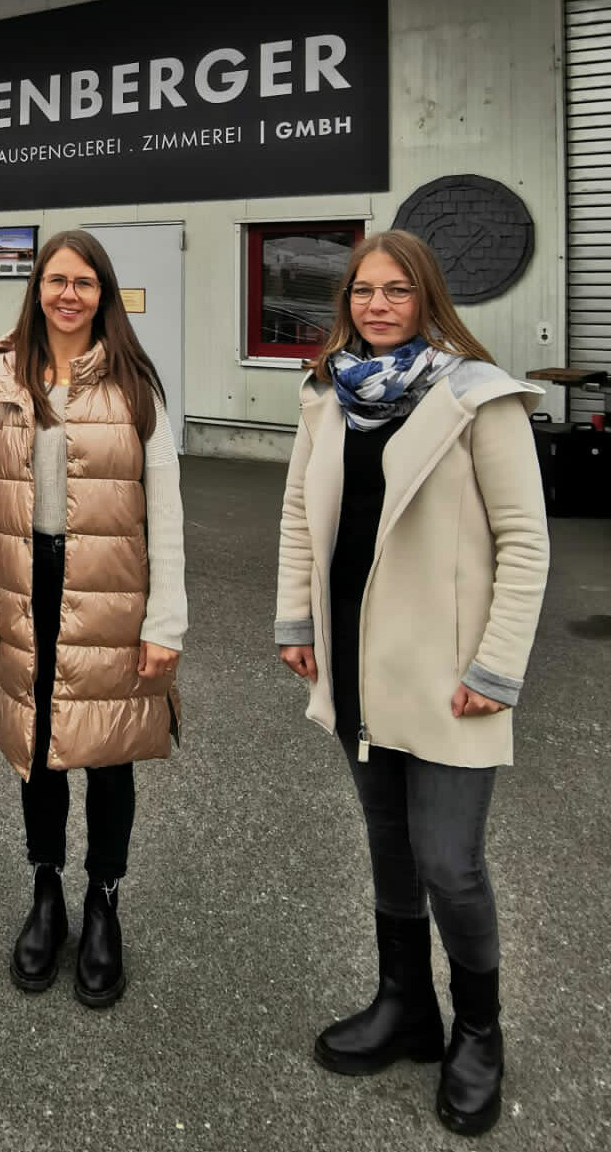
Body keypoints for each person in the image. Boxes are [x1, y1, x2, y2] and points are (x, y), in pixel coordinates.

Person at [274, 230, 549, 1136]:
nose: (378, 305)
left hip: (450, 674)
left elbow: (525, 544)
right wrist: (297, 622)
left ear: (427, 298)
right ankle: (407, 1006)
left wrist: (496, 668)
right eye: (363, 291)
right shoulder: (327, 397)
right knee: (388, 846)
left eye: (397, 291)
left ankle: (479, 1030)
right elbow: (296, 517)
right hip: (356, 663)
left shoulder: (480, 399)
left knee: (449, 862)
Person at [0, 230, 185, 1007]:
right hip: (30, 579)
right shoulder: (9, 378)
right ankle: (47, 893)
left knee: (109, 749)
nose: (68, 294)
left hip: (113, 586)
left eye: (83, 282)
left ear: (104, 293)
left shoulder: (135, 384)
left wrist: (167, 623)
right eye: (55, 280)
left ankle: (104, 904)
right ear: (37, 291)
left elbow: (168, 512)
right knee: (39, 743)